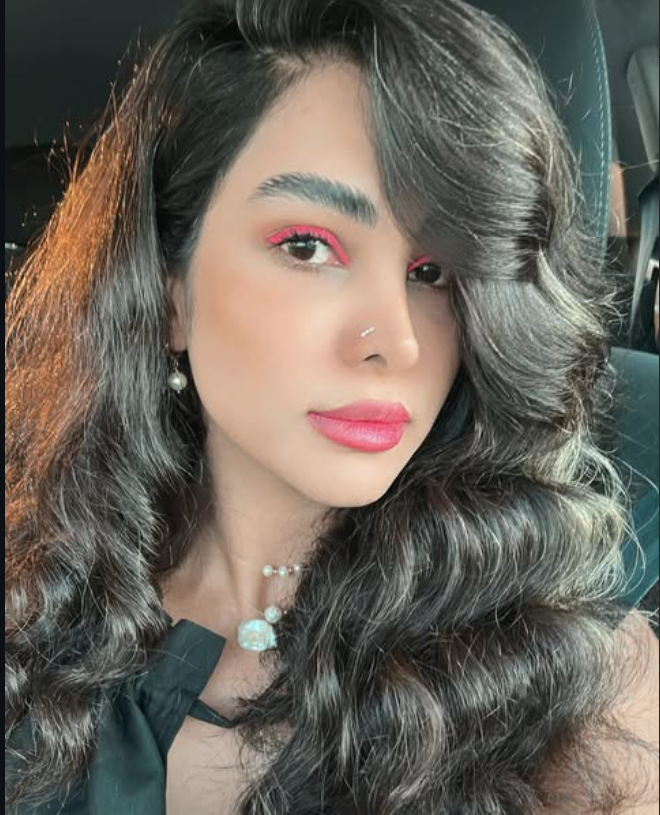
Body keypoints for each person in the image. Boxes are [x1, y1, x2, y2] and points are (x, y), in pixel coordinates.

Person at [5, 1, 659, 813]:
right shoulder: (29, 616)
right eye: (308, 246)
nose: (396, 341)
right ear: (168, 290)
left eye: (435, 272)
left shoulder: (577, 683)